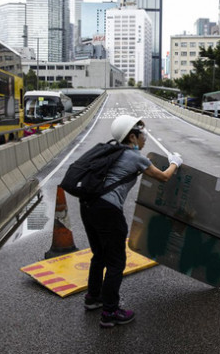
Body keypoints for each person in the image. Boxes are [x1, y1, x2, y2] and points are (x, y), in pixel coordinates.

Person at [80, 114, 182, 328]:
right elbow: (163, 177)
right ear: (133, 137)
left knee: (99, 255)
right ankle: (109, 312)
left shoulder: (110, 152)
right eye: (142, 135)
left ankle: (93, 297)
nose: (145, 139)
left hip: (88, 205)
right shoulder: (134, 157)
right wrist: (174, 163)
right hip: (108, 210)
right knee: (116, 262)